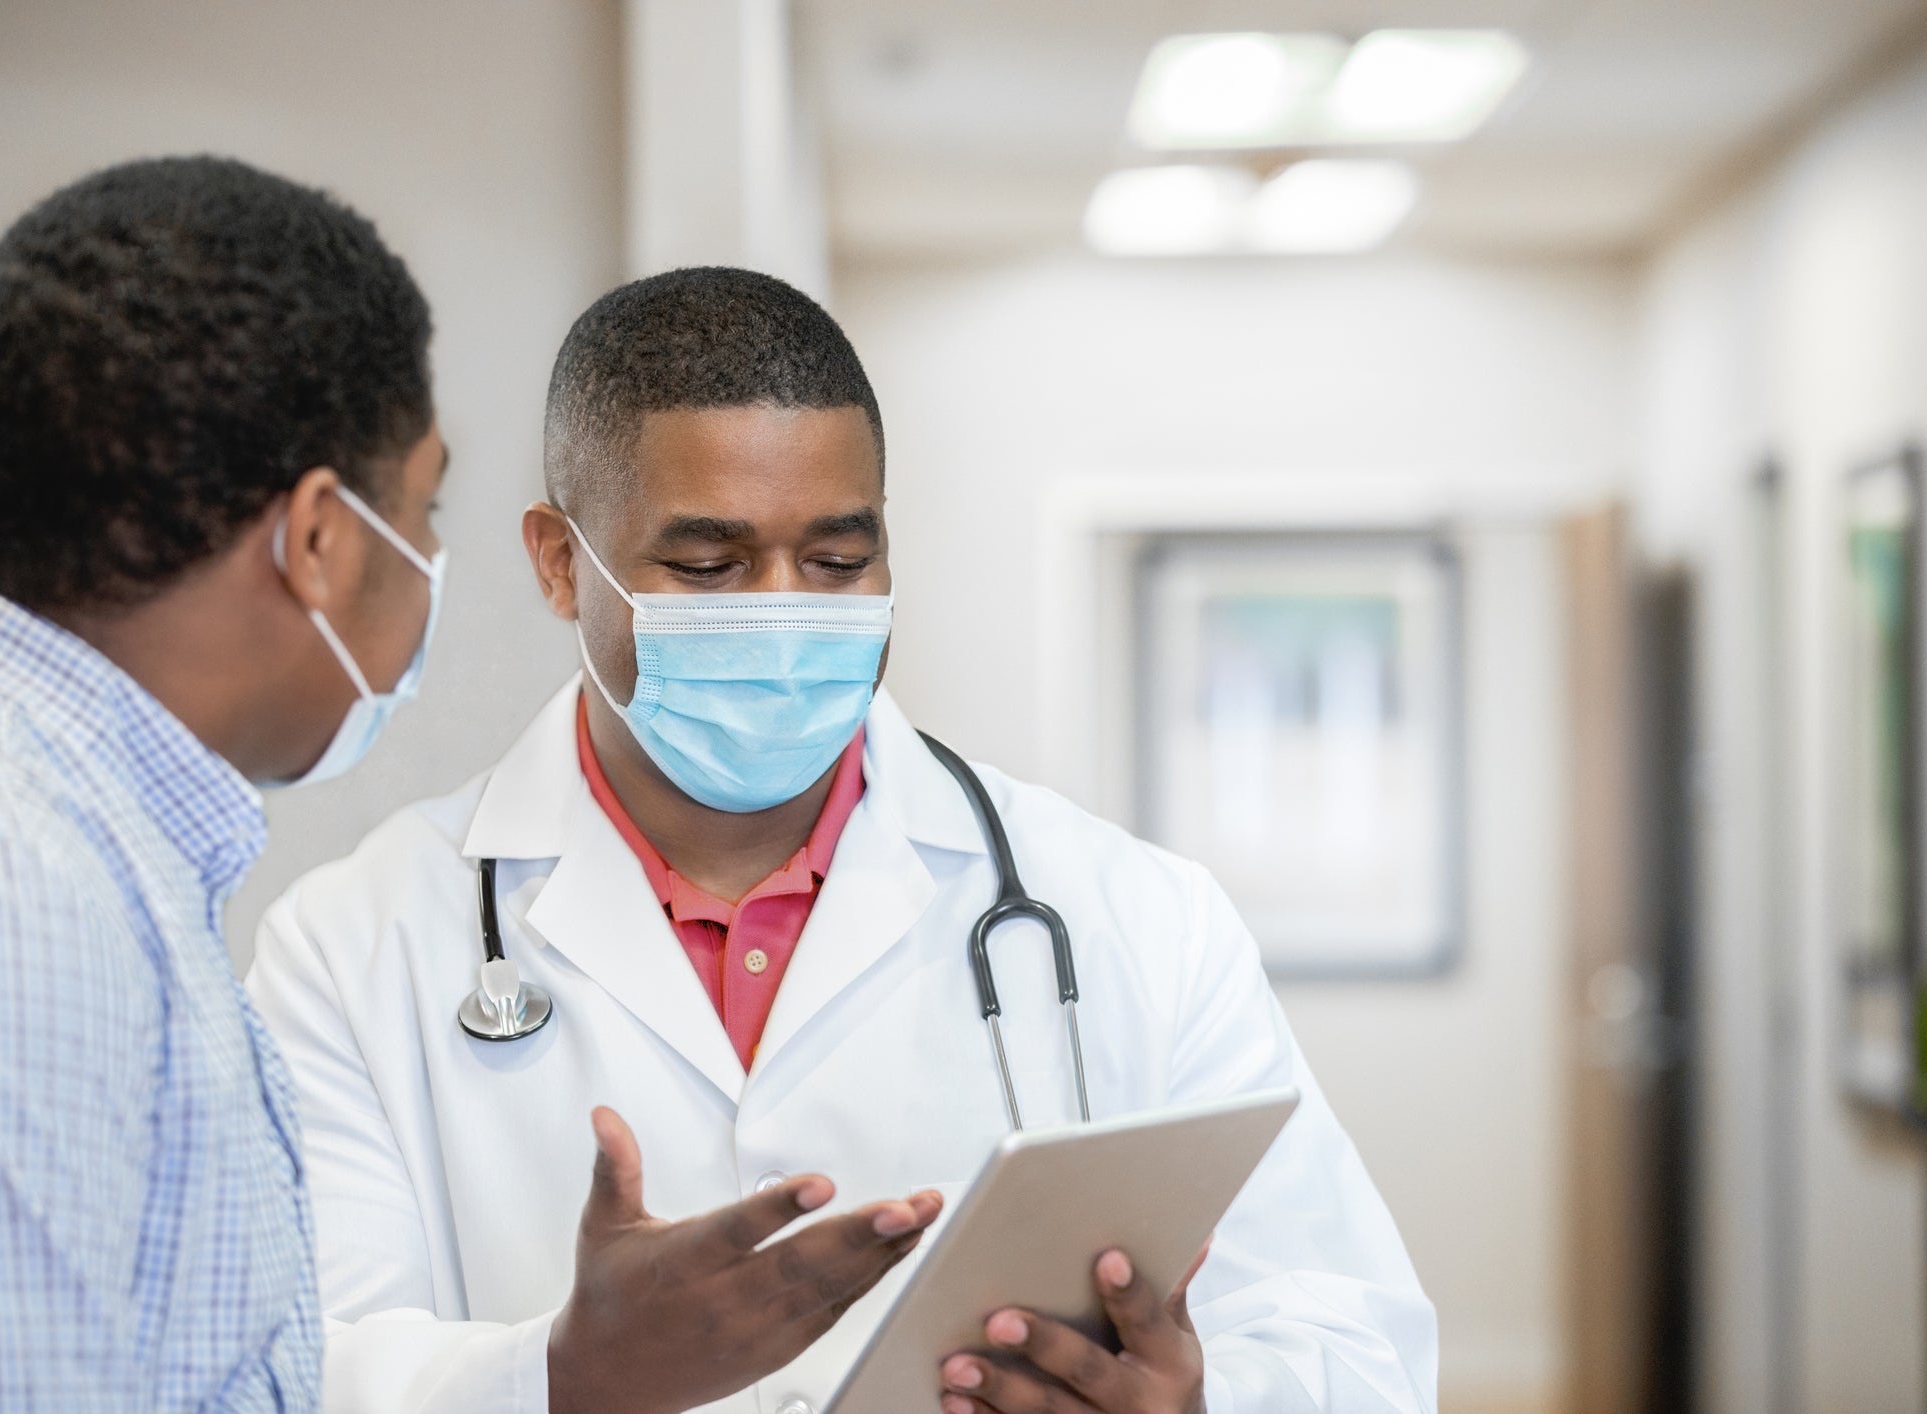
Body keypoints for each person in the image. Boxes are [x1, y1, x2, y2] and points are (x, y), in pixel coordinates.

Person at [0, 162, 935, 1411]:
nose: (427, 568)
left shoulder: (50, 848)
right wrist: (571, 1371)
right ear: (319, 539)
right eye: (422, 511)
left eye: (839, 557)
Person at [247, 267, 1437, 1414]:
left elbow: (1363, 1348)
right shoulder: (353, 946)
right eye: (709, 565)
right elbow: (281, 1373)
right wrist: (564, 1380)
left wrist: (1197, 1405)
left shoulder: (1139, 916)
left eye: (838, 559)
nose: (786, 610)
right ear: (563, 564)